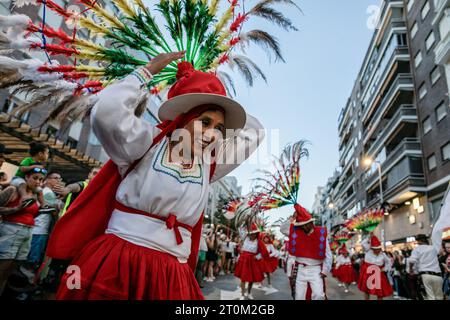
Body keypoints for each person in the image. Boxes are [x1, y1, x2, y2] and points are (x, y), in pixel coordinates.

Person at [47, 53, 264, 300]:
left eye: (219, 128)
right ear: (183, 119)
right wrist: (145, 71)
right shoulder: (147, 142)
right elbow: (106, 111)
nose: (212, 134)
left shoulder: (208, 164)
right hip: (120, 260)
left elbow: (254, 132)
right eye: (204, 122)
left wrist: (214, 93)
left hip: (172, 273)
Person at [0, 167, 45, 296]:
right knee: (2, 268)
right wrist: (17, 208)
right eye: (35, 178)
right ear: (26, 178)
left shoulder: (35, 194)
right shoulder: (13, 190)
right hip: (11, 230)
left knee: (9, 271)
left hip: (27, 232)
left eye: (41, 180)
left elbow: (32, 215)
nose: (38, 182)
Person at [280, 205, 332, 300]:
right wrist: (292, 218)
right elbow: (283, 229)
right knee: (299, 297)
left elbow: (328, 254)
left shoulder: (320, 233)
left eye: (306, 224)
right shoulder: (297, 232)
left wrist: (325, 270)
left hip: (316, 269)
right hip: (300, 269)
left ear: (311, 222)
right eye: (302, 225)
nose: (304, 227)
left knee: (319, 295)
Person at [26, 172, 63, 272]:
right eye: (56, 178)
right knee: (32, 260)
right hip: (40, 229)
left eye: (60, 179)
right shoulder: (48, 193)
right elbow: (54, 212)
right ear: (48, 180)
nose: (59, 181)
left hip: (37, 228)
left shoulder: (45, 191)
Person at [234, 223, 269, 300]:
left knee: (251, 279)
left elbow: (264, 252)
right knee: (243, 278)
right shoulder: (245, 238)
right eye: (250, 233)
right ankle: (242, 294)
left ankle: (249, 292)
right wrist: (245, 220)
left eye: (253, 233)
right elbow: (240, 229)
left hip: (252, 262)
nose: (252, 235)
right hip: (244, 260)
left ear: (256, 234)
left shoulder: (259, 242)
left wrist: (257, 257)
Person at [11, 142, 48, 207]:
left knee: (39, 190)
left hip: (28, 182)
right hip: (18, 179)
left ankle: (43, 204)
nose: (48, 155)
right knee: (23, 184)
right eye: (47, 153)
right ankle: (24, 197)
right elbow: (22, 168)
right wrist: (33, 166)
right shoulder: (28, 159)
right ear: (40, 154)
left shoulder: (39, 164)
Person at [357, 234, 393, 300]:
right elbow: (363, 243)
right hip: (368, 273)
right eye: (375, 249)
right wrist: (369, 236)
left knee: (380, 291)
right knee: (366, 290)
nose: (377, 250)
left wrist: (384, 269)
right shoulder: (368, 251)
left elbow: (389, 262)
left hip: (378, 273)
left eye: (379, 248)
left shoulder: (383, 254)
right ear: (372, 248)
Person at [409, 234, 443, 300]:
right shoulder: (433, 248)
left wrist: (411, 270)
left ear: (419, 241)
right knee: (439, 297)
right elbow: (440, 253)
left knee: (430, 297)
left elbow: (412, 261)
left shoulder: (417, 249)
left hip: (425, 275)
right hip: (438, 275)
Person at [439, 230, 450, 299]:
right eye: (447, 247)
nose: (448, 249)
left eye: (449, 247)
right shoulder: (447, 256)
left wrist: (446, 268)